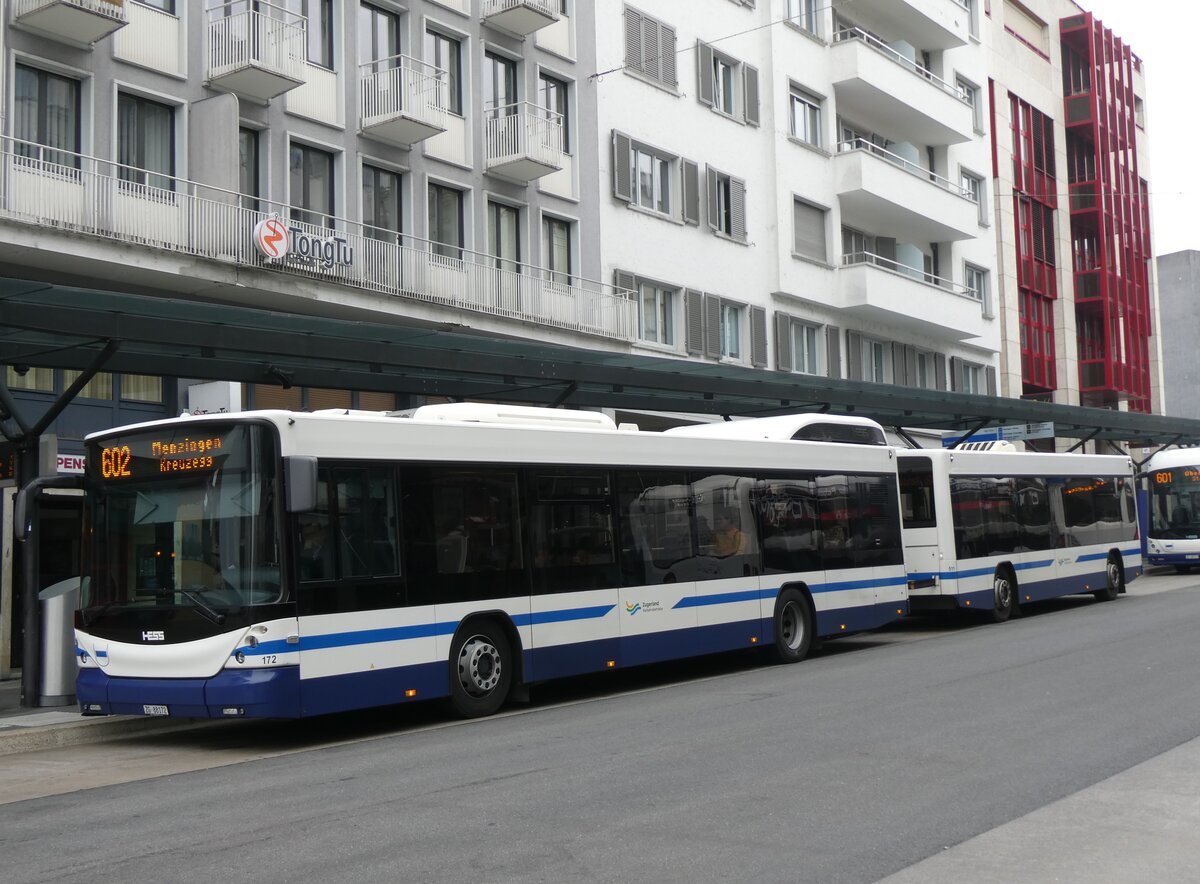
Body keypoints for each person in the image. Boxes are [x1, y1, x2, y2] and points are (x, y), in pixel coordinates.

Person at [299, 516, 333, 580]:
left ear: (322, 533)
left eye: (313, 533)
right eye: (306, 535)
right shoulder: (301, 552)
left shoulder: (332, 551)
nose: (310, 538)